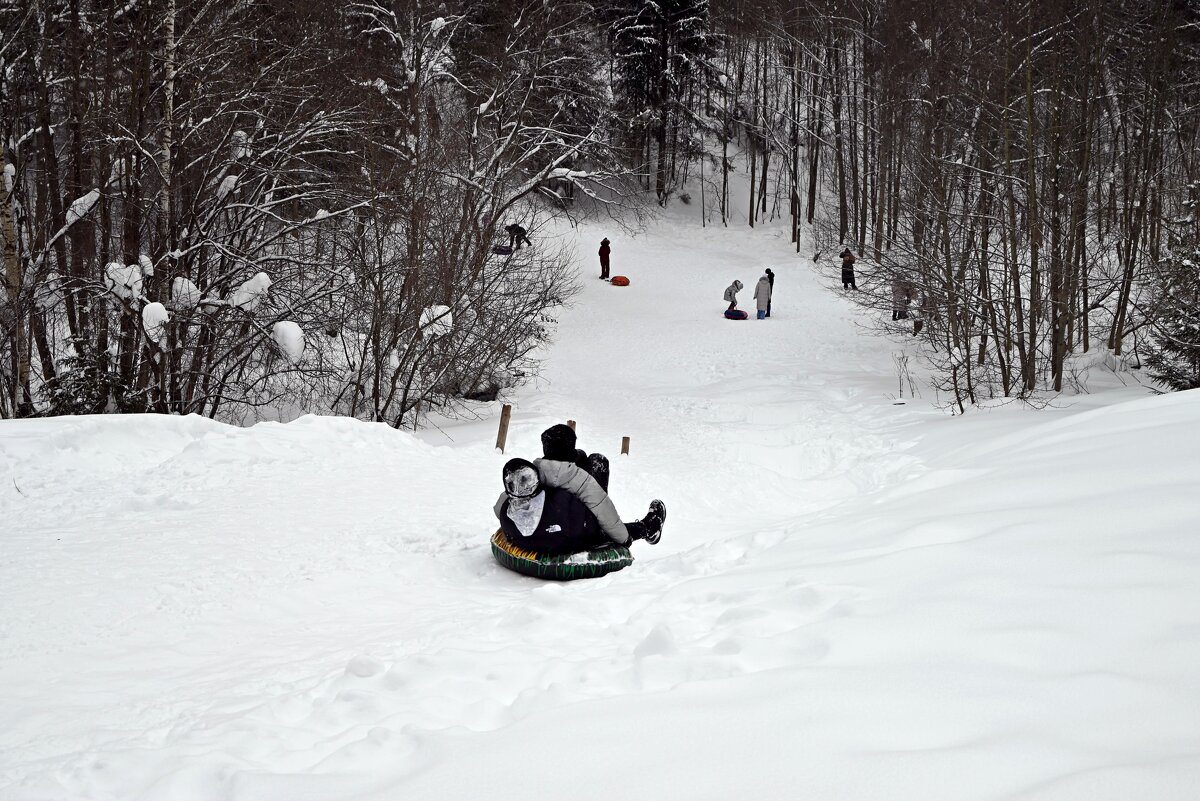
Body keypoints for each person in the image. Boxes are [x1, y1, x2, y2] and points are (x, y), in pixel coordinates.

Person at [494, 424, 665, 553]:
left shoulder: (533, 474)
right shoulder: (579, 479)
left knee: (584, 459)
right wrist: (626, 539)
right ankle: (648, 529)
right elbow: (604, 510)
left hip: (549, 526)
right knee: (598, 461)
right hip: (575, 534)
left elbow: (499, 507)